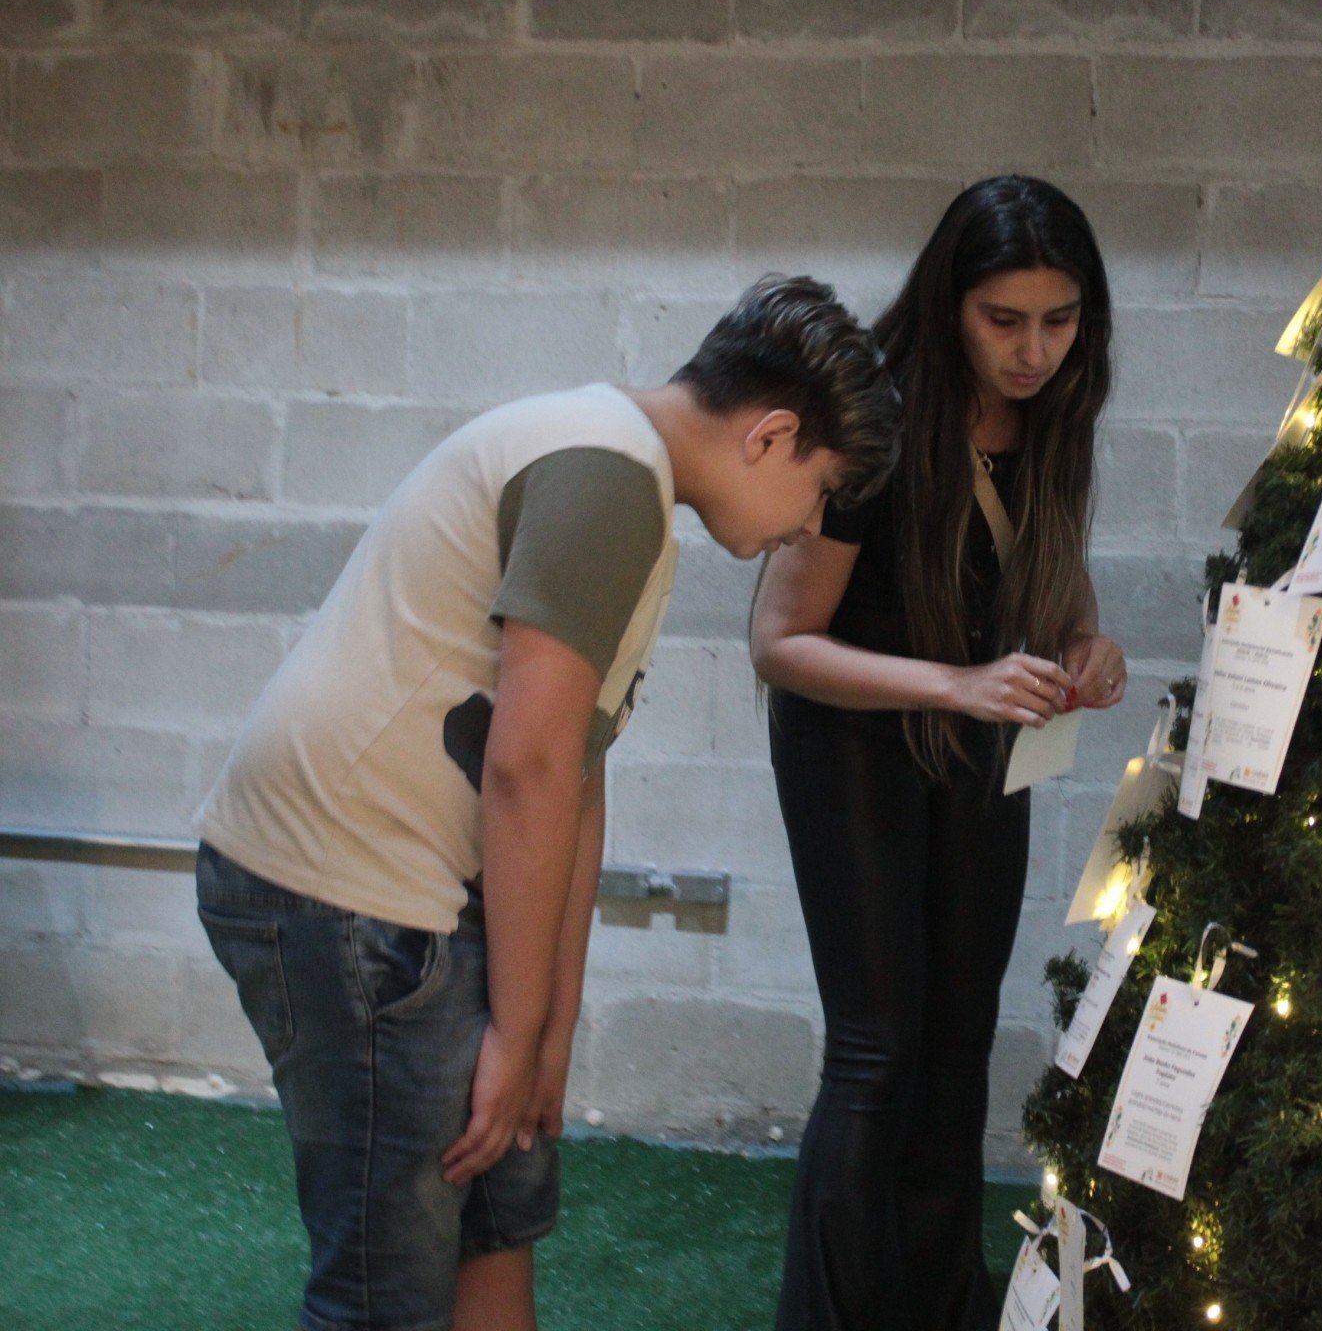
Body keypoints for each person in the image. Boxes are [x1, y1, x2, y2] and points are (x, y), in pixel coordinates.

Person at [192, 275, 899, 1331]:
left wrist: (549, 1025)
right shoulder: (607, 470)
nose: (809, 526)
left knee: (497, 1220)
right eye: (820, 490)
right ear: (772, 435)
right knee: (387, 1295)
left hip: (421, 891)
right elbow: (523, 767)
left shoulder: (636, 490)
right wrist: (518, 1027)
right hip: (342, 893)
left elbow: (574, 769)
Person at [751, 176, 1129, 1330]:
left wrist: (1082, 645)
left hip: (979, 744)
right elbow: (779, 641)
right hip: (850, 738)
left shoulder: (1057, 413)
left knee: (960, 1039)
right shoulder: (875, 415)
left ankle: (940, 1308)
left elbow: (1032, 578)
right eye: (1003, 319)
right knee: (877, 1051)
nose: (1032, 350)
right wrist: (958, 682)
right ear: (950, 304)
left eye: (1059, 321)